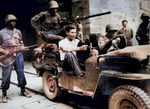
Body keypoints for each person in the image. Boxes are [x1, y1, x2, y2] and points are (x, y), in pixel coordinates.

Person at [0, 14, 31, 103]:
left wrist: (23, 47)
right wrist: (4, 52)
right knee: (6, 74)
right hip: (7, 55)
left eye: (14, 21)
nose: (14, 23)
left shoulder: (18, 32)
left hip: (18, 54)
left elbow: (21, 43)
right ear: (7, 22)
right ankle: (4, 93)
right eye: (11, 21)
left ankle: (23, 89)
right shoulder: (1, 33)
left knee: (21, 72)